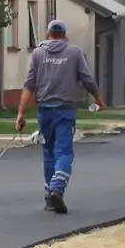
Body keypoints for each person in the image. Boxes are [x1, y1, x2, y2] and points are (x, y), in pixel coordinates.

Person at [13, 19, 104, 214]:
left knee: (49, 153)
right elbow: (87, 78)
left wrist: (20, 113)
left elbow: (29, 84)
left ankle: (49, 196)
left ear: (48, 34)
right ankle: (57, 189)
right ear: (64, 35)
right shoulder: (74, 52)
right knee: (64, 152)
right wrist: (98, 98)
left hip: (44, 112)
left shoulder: (38, 54)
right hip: (64, 110)